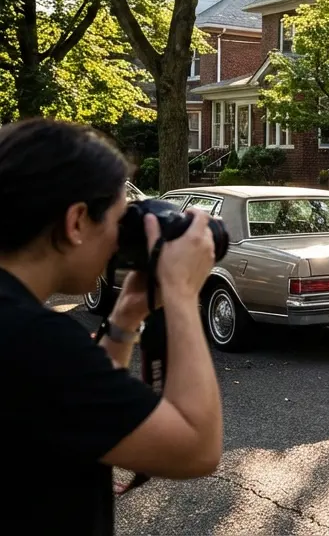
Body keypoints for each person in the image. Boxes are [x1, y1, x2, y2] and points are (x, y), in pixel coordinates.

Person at [0, 119, 223, 534]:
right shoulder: (34, 340)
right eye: (120, 222)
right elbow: (195, 448)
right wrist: (181, 291)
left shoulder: (21, 333)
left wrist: (125, 317)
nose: (118, 243)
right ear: (77, 221)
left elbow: (78, 404)